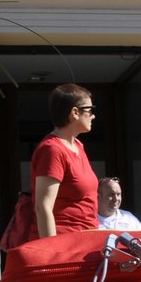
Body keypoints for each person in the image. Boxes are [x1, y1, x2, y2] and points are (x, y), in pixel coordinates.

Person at [31, 83, 99, 239]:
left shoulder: (78, 145)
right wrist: (53, 253)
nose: (93, 115)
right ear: (75, 113)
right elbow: (43, 207)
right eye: (89, 110)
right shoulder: (52, 150)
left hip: (85, 242)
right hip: (65, 245)